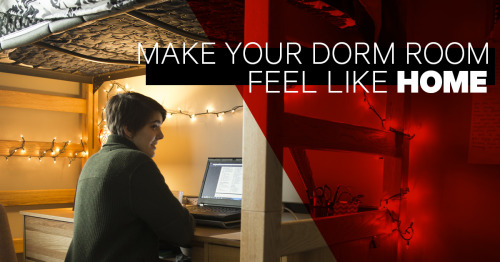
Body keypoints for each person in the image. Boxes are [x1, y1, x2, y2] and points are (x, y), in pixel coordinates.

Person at [65, 92, 194, 261]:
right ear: (128, 129)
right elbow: (182, 231)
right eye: (154, 126)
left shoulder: (93, 160)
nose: (161, 135)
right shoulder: (135, 162)